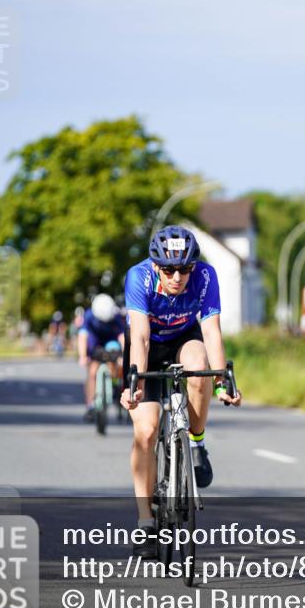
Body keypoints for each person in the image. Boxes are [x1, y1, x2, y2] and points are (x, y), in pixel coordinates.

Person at [120, 225, 242, 558]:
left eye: (185, 268)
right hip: (146, 348)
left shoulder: (205, 277)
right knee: (145, 432)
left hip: (184, 341)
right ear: (155, 265)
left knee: (199, 362)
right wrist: (137, 384)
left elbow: (212, 331)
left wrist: (222, 382)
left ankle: (197, 442)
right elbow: (140, 337)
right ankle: (146, 522)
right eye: (170, 269)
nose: (178, 277)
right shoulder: (139, 277)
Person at [78, 294, 126, 422]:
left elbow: (122, 337)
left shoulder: (115, 316)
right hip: (95, 342)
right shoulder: (89, 316)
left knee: (115, 362)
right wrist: (83, 356)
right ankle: (90, 406)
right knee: (92, 372)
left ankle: (116, 384)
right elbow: (83, 336)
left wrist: (125, 355)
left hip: (111, 341)